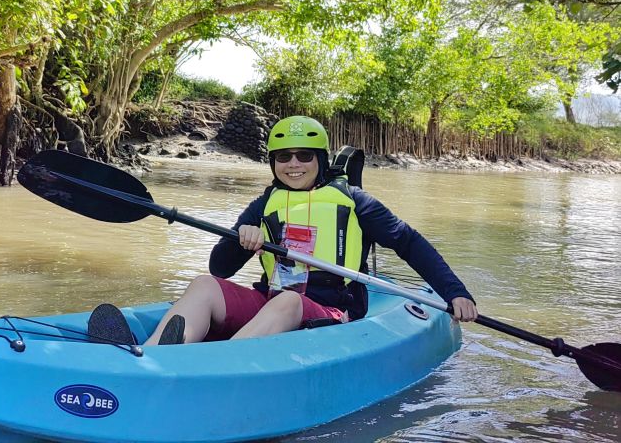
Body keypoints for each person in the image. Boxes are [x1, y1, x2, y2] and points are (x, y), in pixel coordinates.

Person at [89, 116, 477, 346]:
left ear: (320, 160)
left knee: (288, 302)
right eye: (283, 157)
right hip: (270, 299)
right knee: (204, 284)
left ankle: (205, 365)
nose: (294, 164)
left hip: (332, 309)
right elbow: (220, 267)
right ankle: (150, 355)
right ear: (273, 162)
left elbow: (409, 242)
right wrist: (242, 238)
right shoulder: (265, 204)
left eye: (304, 156)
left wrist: (455, 292)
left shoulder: (356, 202)